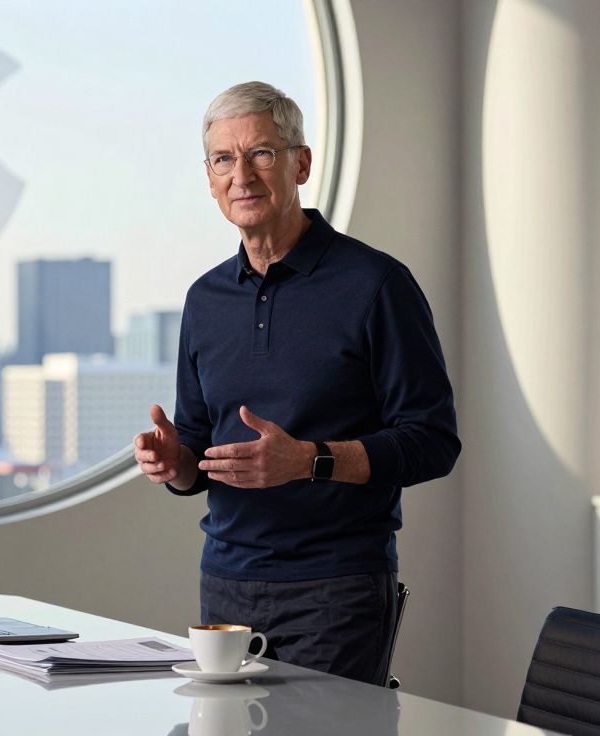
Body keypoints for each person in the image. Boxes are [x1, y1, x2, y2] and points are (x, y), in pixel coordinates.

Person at [134, 81, 460, 685]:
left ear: (300, 162)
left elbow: (433, 441)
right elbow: (199, 452)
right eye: (223, 160)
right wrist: (172, 460)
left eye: (261, 153)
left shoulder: (377, 284)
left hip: (337, 589)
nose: (242, 175)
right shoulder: (203, 300)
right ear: (208, 178)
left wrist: (310, 461)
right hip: (224, 584)